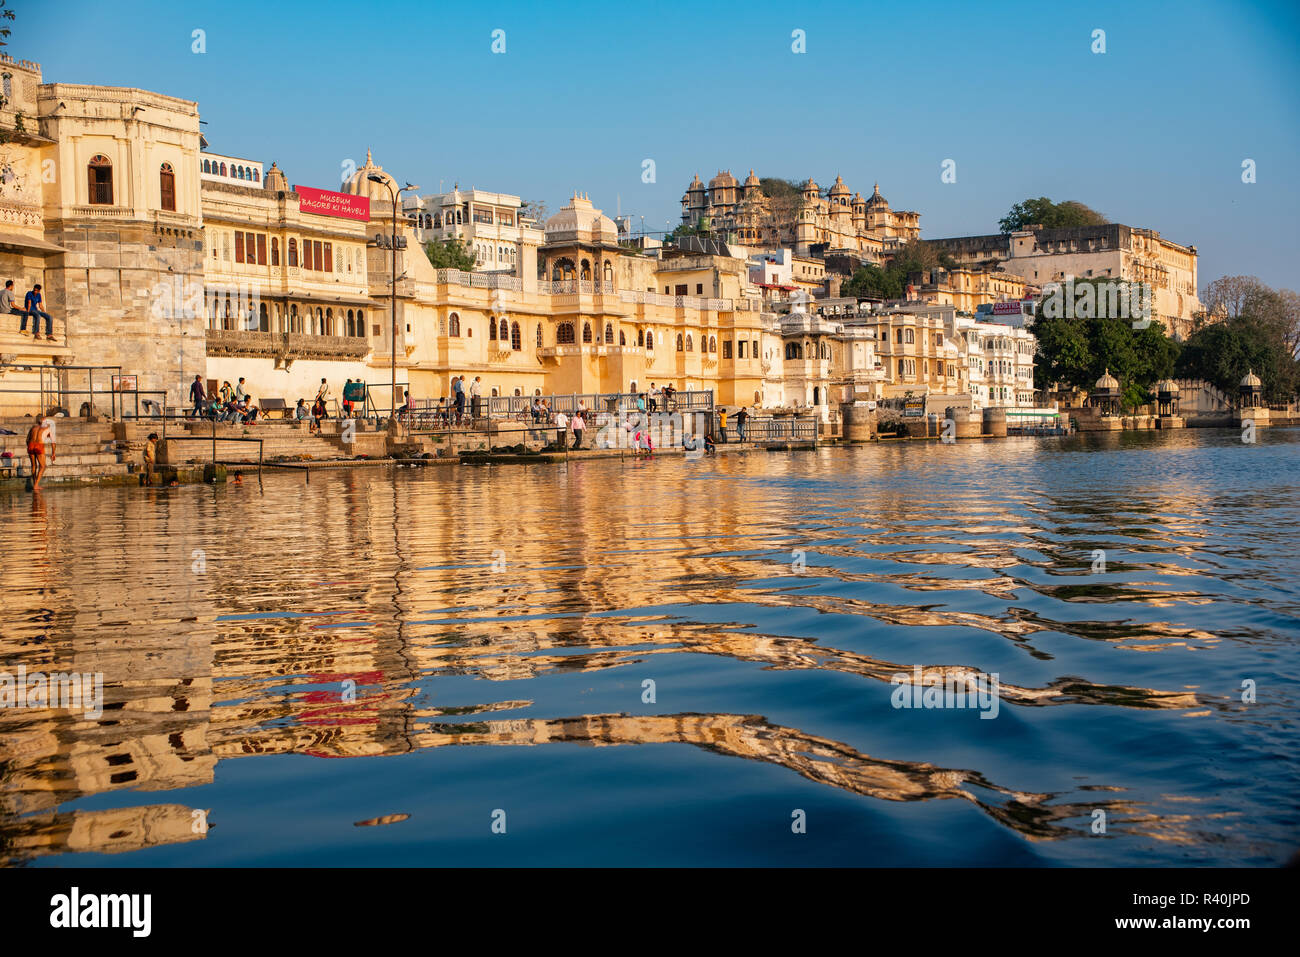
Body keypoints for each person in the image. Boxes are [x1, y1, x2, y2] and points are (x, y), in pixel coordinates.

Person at [26, 417, 54, 489]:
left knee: (34, 466)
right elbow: (53, 443)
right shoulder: (47, 429)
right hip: (39, 446)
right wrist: (53, 453)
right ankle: (36, 485)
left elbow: (27, 439)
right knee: (43, 466)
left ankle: (35, 483)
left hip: (30, 445)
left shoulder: (33, 428)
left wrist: (29, 447)